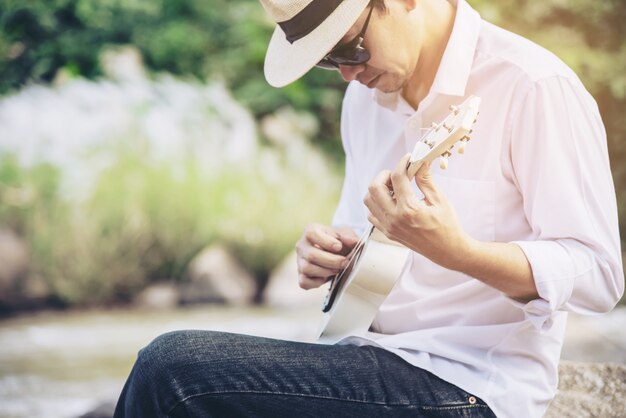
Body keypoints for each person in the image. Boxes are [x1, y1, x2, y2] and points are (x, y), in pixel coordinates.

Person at [113, 0, 624, 417]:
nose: (347, 73)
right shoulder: (363, 100)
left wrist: (460, 253)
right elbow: (363, 258)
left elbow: (599, 274)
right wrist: (330, 256)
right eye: (327, 60)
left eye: (350, 46)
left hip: (468, 384)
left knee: (172, 369)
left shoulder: (532, 85)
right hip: (365, 359)